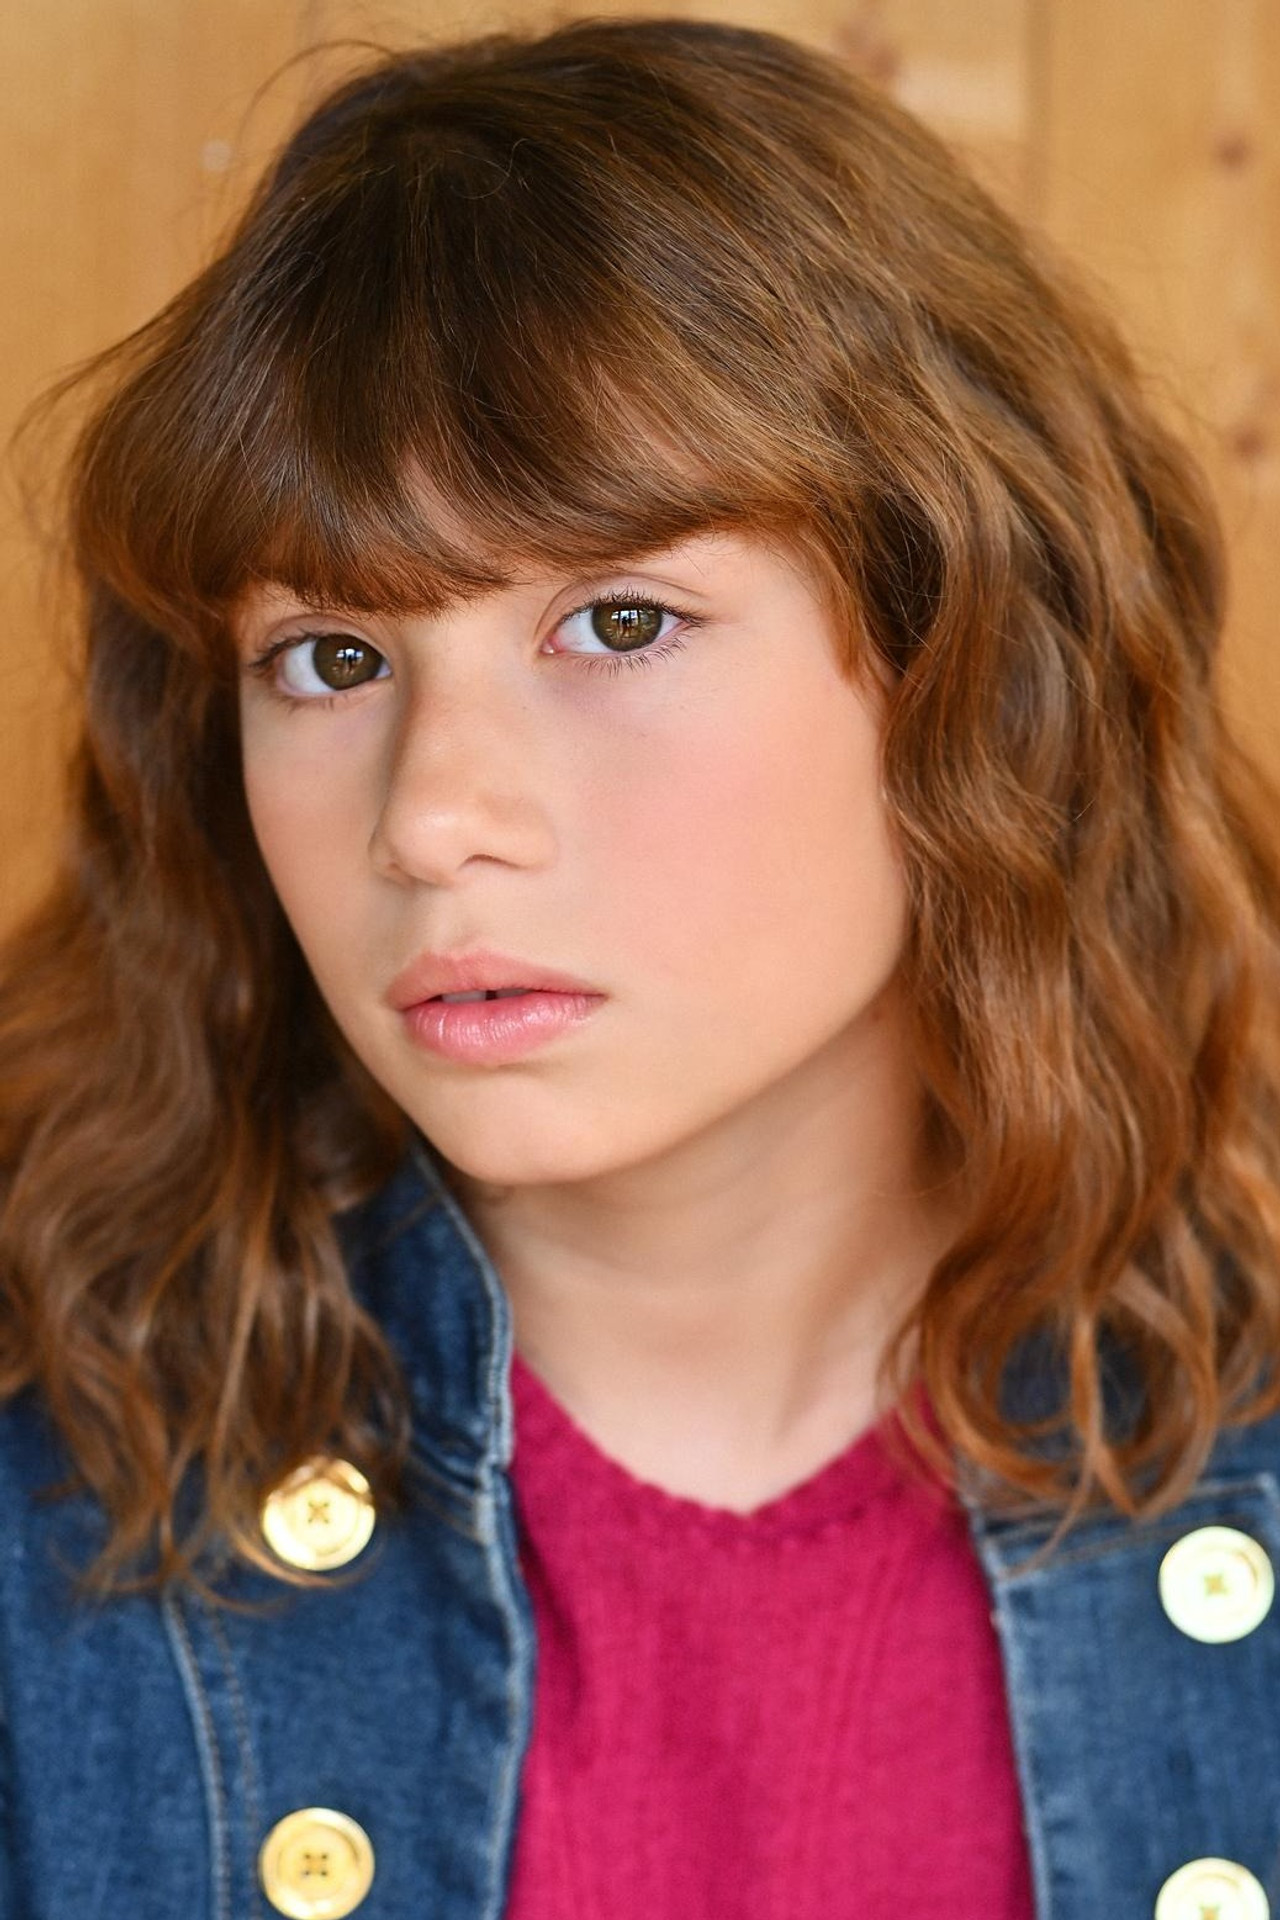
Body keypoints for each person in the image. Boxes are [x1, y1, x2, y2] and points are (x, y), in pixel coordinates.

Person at [1, 13, 1278, 1919]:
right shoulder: (42, 1506)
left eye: (617, 622)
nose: (433, 817)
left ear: (976, 660)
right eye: (331, 660)